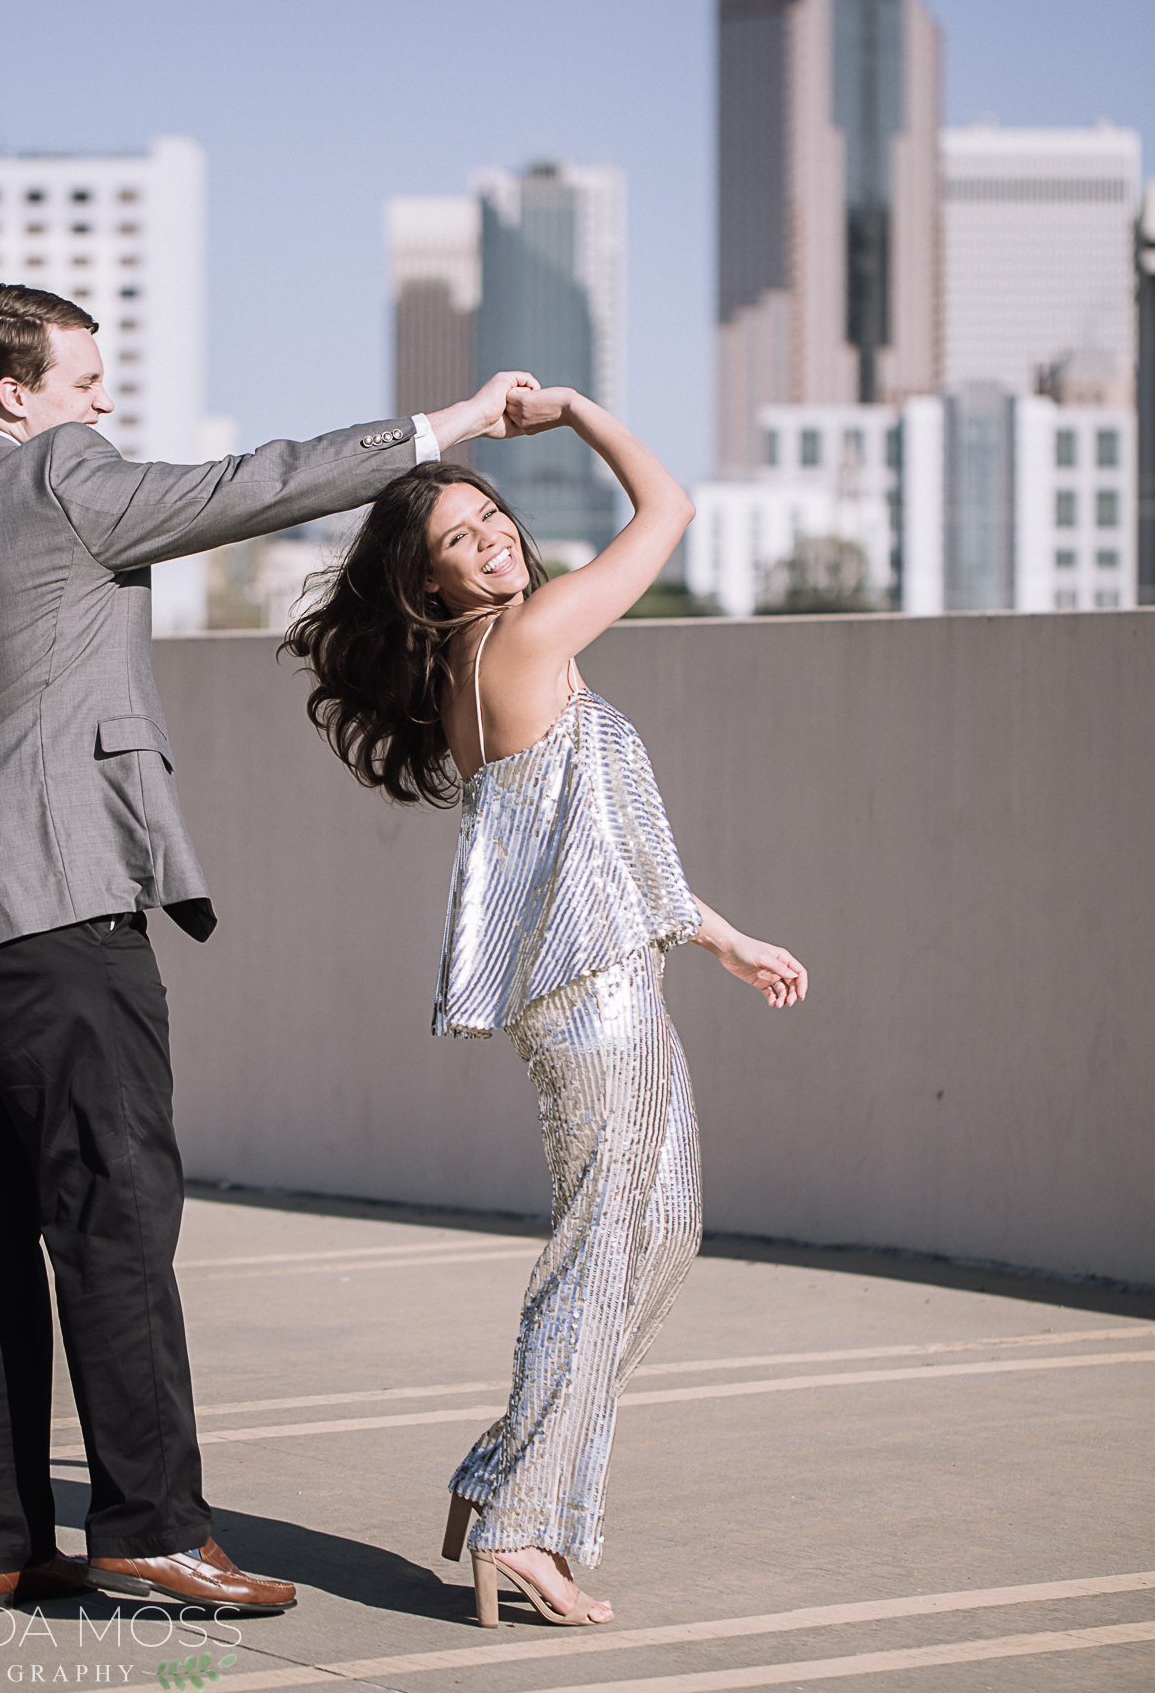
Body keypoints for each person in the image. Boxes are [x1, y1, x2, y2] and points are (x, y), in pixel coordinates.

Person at [0, 280, 539, 1615]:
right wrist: (447, 424)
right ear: (18, 396)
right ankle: (149, 1532)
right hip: (53, 901)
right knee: (114, 1209)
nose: (101, 402)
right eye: (82, 381)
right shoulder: (60, 473)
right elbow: (252, 485)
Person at [284, 385, 808, 1629]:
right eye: (461, 539)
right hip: (597, 1004)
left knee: (656, 1236)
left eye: (493, 518)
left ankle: (500, 1468)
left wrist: (720, 935)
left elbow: (600, 836)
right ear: (431, 585)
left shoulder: (494, 654)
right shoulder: (518, 644)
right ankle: (523, 1520)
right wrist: (574, 410)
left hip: (609, 984)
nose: (495, 540)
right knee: (600, 1249)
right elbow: (668, 506)